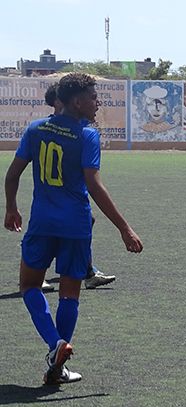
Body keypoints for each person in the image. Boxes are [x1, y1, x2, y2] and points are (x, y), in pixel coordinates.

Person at [4, 73, 143, 385]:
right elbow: (93, 184)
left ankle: (56, 353)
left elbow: (12, 175)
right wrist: (124, 228)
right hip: (76, 226)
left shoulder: (35, 128)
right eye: (94, 97)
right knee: (70, 294)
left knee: (29, 286)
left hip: (42, 222)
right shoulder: (87, 135)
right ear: (77, 101)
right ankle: (58, 352)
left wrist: (11, 207)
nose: (98, 102)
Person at [44, 84, 117, 290]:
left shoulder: (76, 125)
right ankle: (41, 270)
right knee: (50, 229)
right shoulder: (51, 128)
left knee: (84, 221)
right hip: (57, 194)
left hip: (71, 193)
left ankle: (87, 271)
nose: (97, 103)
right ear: (60, 102)